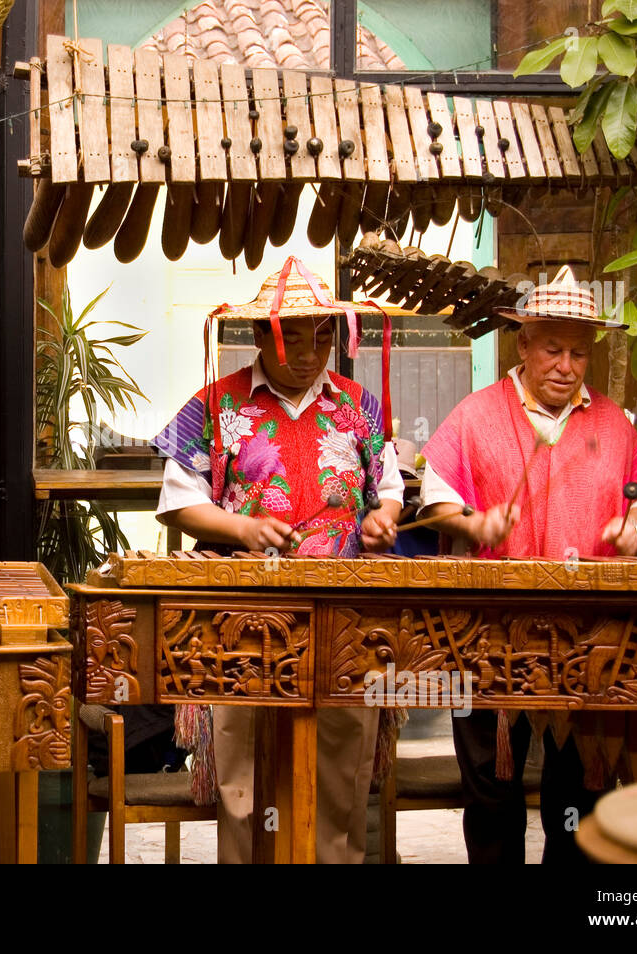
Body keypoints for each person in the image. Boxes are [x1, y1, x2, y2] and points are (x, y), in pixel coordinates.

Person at [152, 258, 403, 863]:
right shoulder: (216, 404)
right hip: (246, 614)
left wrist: (383, 518)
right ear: (261, 335)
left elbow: (389, 488)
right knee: (247, 760)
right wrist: (243, 527)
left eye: (324, 335)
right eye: (295, 336)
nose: (313, 352)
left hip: (344, 614)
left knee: (342, 758)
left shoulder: (359, 406)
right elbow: (177, 505)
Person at [418, 265, 637, 863]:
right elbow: (435, 493)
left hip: (590, 638)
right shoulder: (476, 415)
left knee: (579, 791)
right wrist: (474, 524)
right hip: (486, 637)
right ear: (523, 344)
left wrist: (632, 529)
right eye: (552, 349)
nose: (566, 365)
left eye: (579, 353)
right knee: (491, 787)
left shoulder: (612, 422)